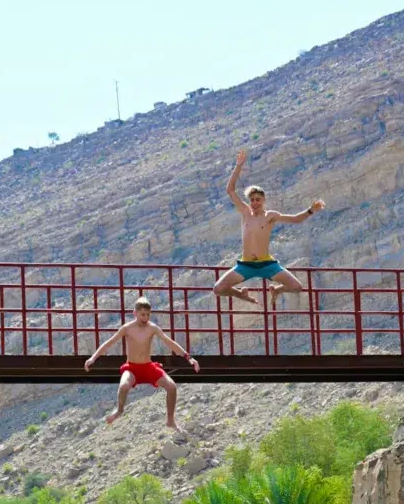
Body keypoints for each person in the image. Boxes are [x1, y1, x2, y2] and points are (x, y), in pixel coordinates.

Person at [214, 150, 326, 308]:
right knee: (218, 289)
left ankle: (278, 290)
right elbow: (230, 190)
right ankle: (241, 294)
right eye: (252, 200)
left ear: (264, 200)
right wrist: (238, 166)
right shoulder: (245, 212)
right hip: (246, 265)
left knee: (296, 287)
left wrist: (311, 210)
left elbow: (295, 219)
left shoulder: (270, 215)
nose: (255, 202)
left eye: (258, 199)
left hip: (267, 264)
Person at [84, 296, 199, 429]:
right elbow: (109, 343)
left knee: (172, 387)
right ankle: (120, 411)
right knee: (123, 386)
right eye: (142, 315)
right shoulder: (127, 328)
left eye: (148, 315)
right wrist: (93, 358)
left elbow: (169, 342)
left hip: (148, 367)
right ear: (135, 313)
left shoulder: (153, 328)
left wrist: (188, 357)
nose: (145, 318)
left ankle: (170, 420)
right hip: (132, 368)